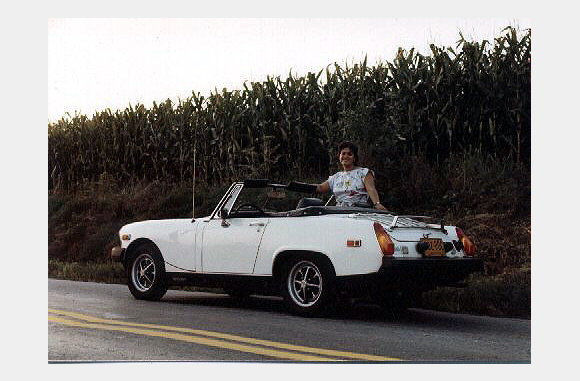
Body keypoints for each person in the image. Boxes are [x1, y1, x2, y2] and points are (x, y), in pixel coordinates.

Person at [290, 141, 386, 210]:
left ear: (355, 158)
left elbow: (371, 189)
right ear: (339, 157)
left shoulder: (364, 172)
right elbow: (320, 188)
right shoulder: (336, 177)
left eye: (349, 154)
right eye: (343, 154)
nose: (346, 156)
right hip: (337, 211)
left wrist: (377, 204)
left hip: (357, 210)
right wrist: (295, 186)